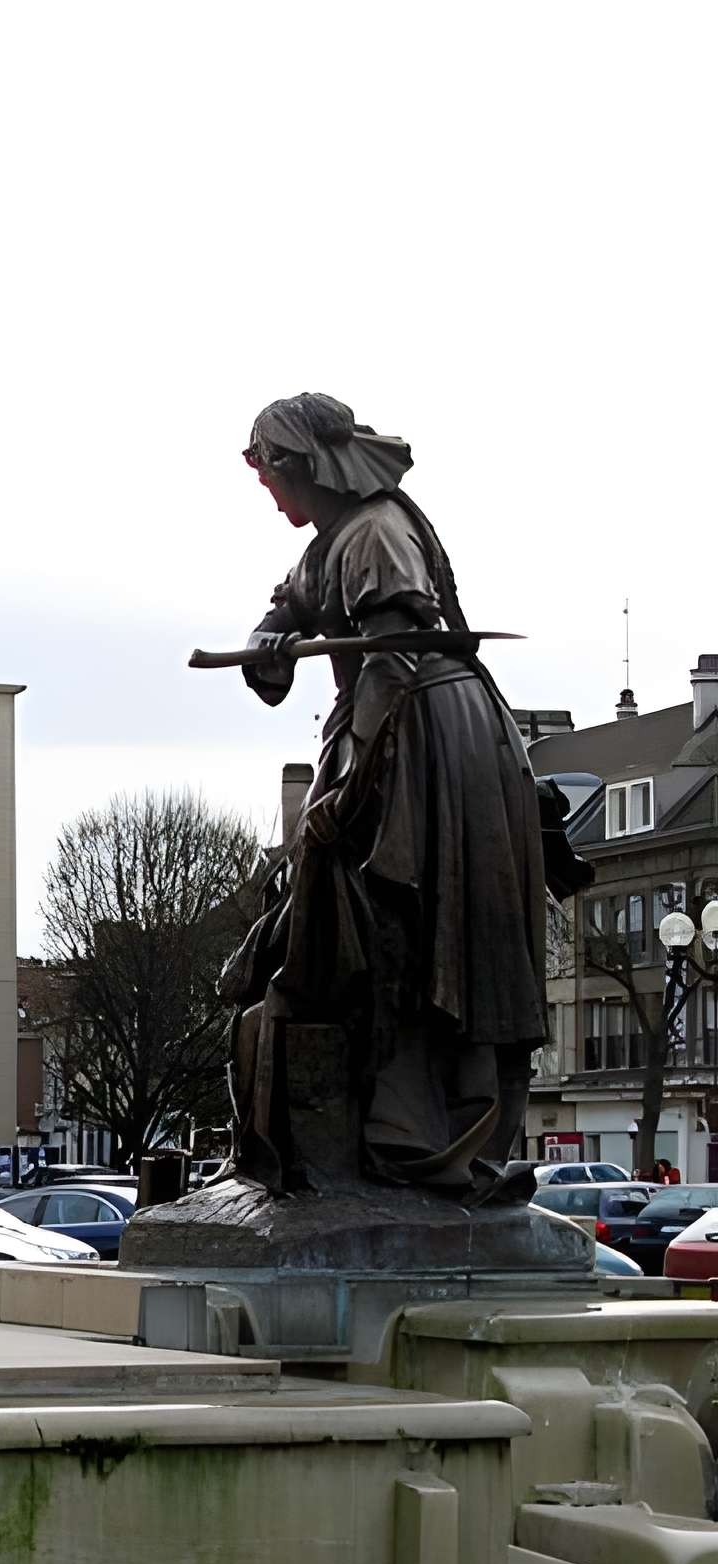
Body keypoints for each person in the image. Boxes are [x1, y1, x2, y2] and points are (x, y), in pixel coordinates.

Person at [220, 393, 589, 1202]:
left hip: (430, 737)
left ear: (303, 465)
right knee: (356, 918)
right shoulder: (329, 544)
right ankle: (371, 1133)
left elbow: (392, 661)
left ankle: (420, 1140)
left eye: (270, 475)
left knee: (421, 927)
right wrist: (267, 642)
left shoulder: (377, 532)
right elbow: (280, 620)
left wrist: (350, 782)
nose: (268, 494)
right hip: (386, 729)